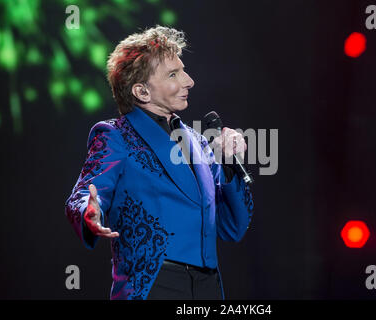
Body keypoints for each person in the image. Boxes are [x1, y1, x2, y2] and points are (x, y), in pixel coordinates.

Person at [65, 25, 254, 300]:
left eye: (183, 70)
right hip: (154, 284)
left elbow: (232, 226)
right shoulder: (116, 135)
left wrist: (227, 164)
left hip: (208, 287)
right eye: (174, 74)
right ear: (142, 92)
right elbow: (84, 194)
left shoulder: (199, 143)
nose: (189, 81)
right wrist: (89, 211)